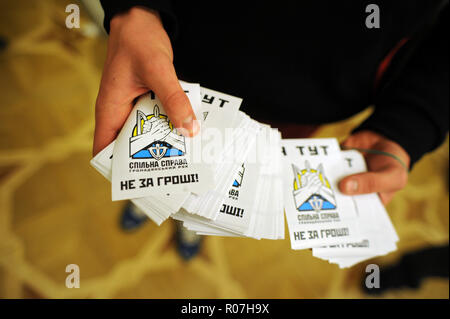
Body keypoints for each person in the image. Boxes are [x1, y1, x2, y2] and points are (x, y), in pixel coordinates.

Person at [93, 1, 449, 260]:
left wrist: (412, 120)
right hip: (181, 43)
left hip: (310, 98)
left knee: (226, 189)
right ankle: (147, 200)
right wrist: (136, 8)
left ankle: (194, 219)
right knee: (154, 163)